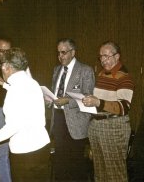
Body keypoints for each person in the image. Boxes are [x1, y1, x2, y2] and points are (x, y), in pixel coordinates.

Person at [0, 47, 50, 181]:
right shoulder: (32, 83)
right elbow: (23, 96)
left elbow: (13, 126)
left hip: (25, 152)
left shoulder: (15, 91)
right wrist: (5, 85)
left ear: (6, 67)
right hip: (42, 148)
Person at [82, 41, 134, 182]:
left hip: (114, 127)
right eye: (101, 57)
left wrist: (98, 102)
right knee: (99, 173)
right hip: (97, 126)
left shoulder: (124, 77)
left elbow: (123, 107)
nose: (103, 60)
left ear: (117, 56)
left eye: (106, 56)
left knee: (115, 174)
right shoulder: (102, 74)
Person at [48, 38, 95, 181]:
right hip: (58, 119)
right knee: (60, 162)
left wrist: (67, 100)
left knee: (75, 166)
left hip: (76, 123)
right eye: (58, 53)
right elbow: (53, 91)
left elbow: (88, 97)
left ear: (73, 52)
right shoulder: (56, 69)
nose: (60, 56)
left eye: (63, 52)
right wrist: (49, 99)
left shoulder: (85, 70)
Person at [0, 38, 32, 182]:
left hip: (18, 112)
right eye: (2, 50)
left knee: (18, 149)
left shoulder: (20, 67)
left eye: (8, 50)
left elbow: (27, 88)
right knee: (2, 151)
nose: (5, 53)